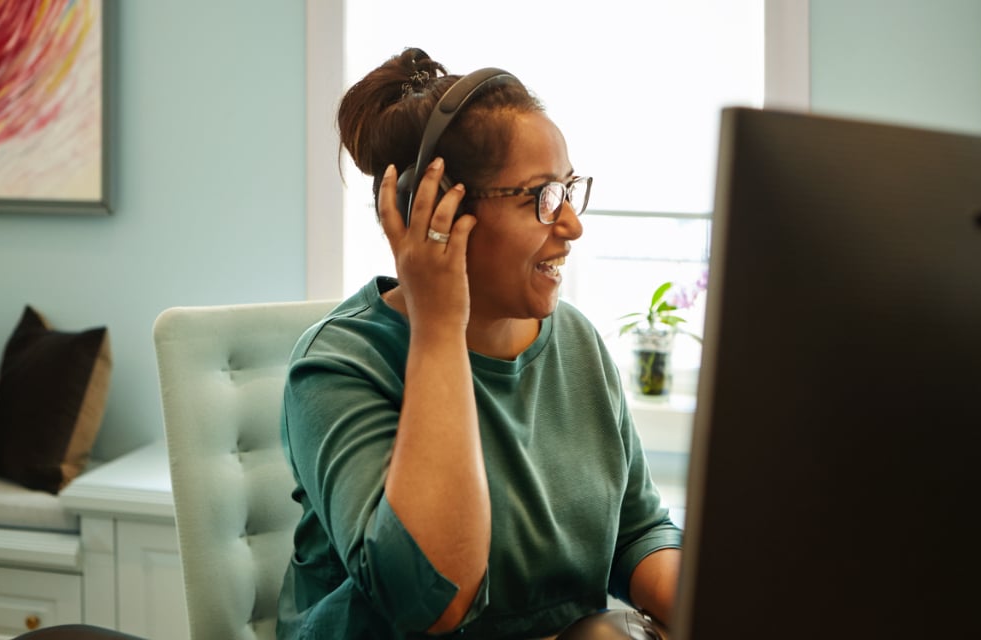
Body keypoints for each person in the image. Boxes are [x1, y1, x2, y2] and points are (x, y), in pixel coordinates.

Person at [276, 48, 681, 640]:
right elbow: (427, 601)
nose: (571, 225)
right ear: (436, 210)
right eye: (541, 197)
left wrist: (715, 602)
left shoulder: (577, 342)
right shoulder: (338, 366)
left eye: (569, 189)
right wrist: (439, 326)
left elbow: (638, 531)